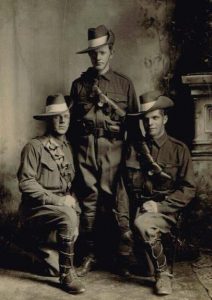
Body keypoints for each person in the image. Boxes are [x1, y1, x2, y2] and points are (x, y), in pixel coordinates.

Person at [69, 24, 140, 276]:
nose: (97, 56)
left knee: (115, 201)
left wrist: (132, 161)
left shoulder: (124, 85)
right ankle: (89, 254)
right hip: (85, 149)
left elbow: (134, 126)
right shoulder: (79, 85)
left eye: (102, 51)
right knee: (88, 201)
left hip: (115, 150)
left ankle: (122, 256)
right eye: (93, 53)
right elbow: (70, 127)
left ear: (111, 52)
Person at [115, 90, 196, 295]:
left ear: (165, 118)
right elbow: (122, 189)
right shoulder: (134, 149)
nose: (150, 123)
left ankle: (163, 275)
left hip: (167, 213)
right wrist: (123, 225)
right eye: (146, 119)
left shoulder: (179, 149)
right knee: (139, 265)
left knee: (144, 224)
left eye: (155, 117)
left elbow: (188, 189)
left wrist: (160, 206)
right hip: (139, 213)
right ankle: (149, 260)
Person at [17, 94, 85, 294]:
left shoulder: (67, 148)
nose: (63, 121)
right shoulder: (34, 147)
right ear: (48, 119)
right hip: (35, 211)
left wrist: (76, 212)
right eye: (57, 117)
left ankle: (33, 253)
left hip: (57, 212)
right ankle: (66, 276)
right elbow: (26, 183)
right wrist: (60, 202)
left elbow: (68, 186)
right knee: (67, 216)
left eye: (66, 116)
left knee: (51, 267)